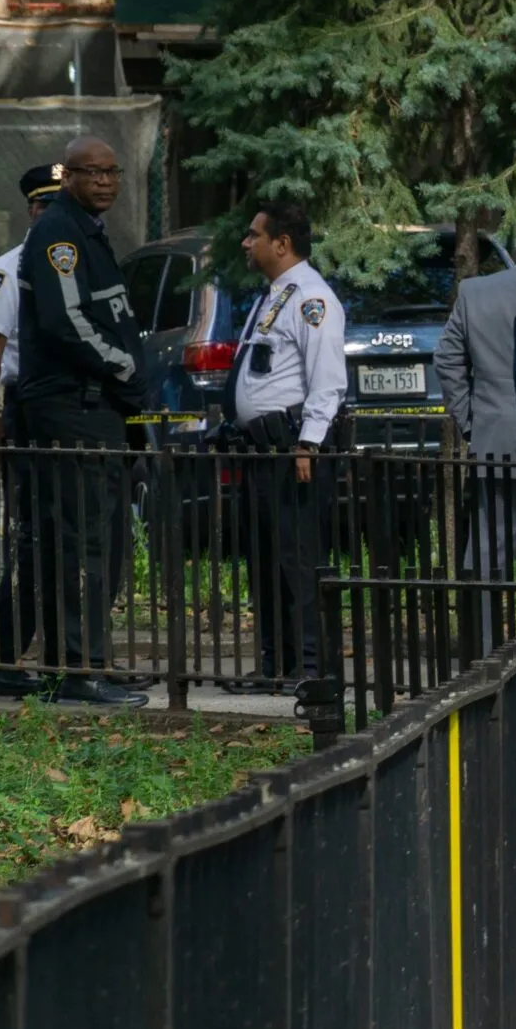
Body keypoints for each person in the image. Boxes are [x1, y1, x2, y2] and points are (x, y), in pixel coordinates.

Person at [11, 134, 148, 706]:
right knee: (83, 542)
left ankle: (85, 662)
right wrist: (123, 369)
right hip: (76, 406)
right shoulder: (58, 232)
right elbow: (67, 321)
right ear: (69, 176)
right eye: (93, 172)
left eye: (113, 172)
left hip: (97, 408)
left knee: (97, 540)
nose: (106, 182)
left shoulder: (87, 230)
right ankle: (77, 669)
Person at [225, 201, 348, 685]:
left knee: (299, 561)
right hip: (262, 449)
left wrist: (309, 443)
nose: (246, 242)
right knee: (266, 561)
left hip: (292, 449)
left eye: (254, 234)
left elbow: (327, 380)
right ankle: (278, 663)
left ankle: (314, 668)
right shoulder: (275, 294)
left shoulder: (312, 298)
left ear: (282, 243)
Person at [0, 163, 65, 696]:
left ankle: (25, 653)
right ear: (32, 212)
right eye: (44, 206)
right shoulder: (10, 270)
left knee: (50, 539)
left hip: (60, 412)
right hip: (27, 410)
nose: (51, 215)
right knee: (35, 538)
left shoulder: (68, 266)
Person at [438, 204, 516, 460]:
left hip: (495, 437)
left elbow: (446, 359)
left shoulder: (474, 293)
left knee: (497, 502)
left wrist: (470, 421)